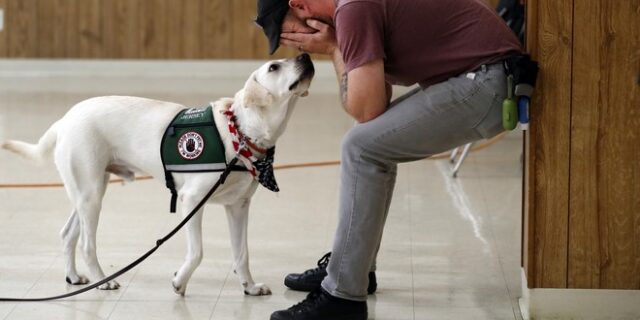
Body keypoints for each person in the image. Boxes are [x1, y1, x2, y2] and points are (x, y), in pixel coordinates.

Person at [255, 0, 522, 319]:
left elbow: (366, 107)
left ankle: (342, 297)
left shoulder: (353, 9)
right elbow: (375, 104)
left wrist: (335, 47)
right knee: (369, 139)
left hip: (488, 82)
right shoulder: (350, 11)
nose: (294, 44)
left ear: (300, 5)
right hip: (487, 76)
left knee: (361, 146)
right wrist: (338, 44)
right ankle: (355, 270)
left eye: (289, 34)